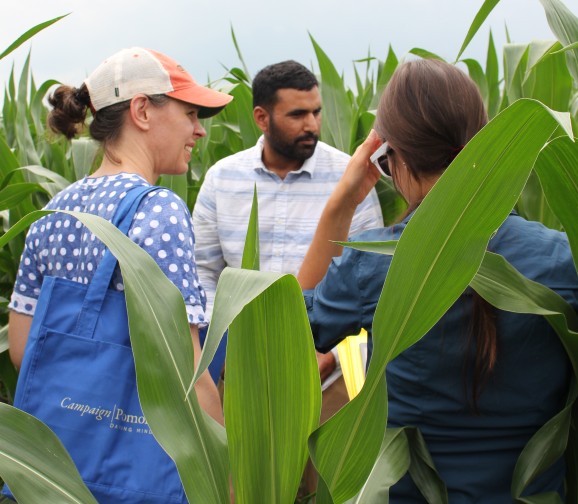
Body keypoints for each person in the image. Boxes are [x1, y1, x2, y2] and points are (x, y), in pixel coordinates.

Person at [298, 59, 578, 502]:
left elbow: (286, 333)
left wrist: (340, 203)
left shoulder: (373, 266)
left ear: (389, 155)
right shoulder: (568, 262)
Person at [8, 47, 231, 423]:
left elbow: (22, 349)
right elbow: (185, 370)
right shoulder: (157, 210)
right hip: (138, 449)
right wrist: (223, 471)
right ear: (142, 111)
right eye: (190, 114)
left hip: (61, 450)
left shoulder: (53, 211)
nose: (199, 129)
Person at [192, 59, 383, 384]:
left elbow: (371, 278)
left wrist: (331, 356)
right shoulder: (222, 179)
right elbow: (202, 272)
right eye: (297, 115)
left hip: (328, 377)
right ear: (261, 118)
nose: (311, 124)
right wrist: (224, 349)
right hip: (239, 374)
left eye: (316, 112)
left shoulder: (349, 178)